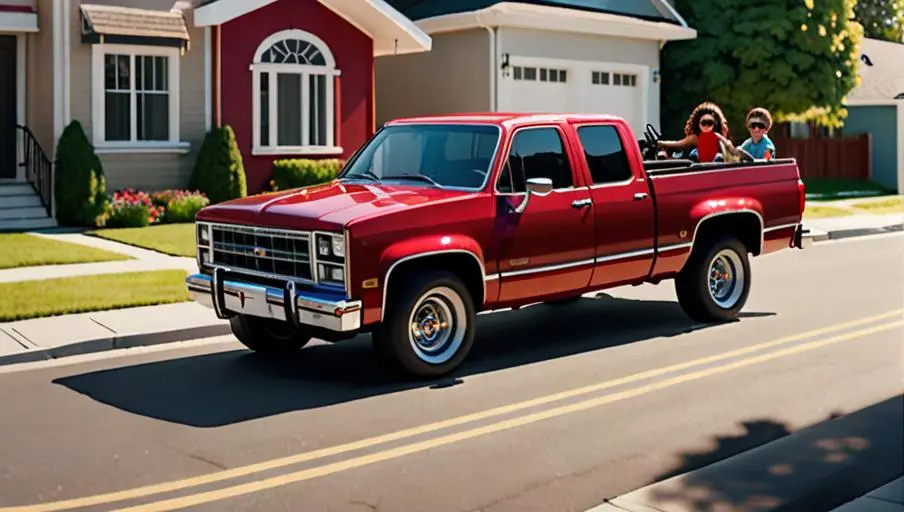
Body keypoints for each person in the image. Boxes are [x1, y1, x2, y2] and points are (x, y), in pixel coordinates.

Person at [658, 102, 734, 163]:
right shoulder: (695, 138)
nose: (706, 126)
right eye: (703, 123)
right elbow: (677, 144)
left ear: (715, 124)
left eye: (710, 122)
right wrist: (660, 143)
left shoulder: (717, 137)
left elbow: (731, 149)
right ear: (698, 123)